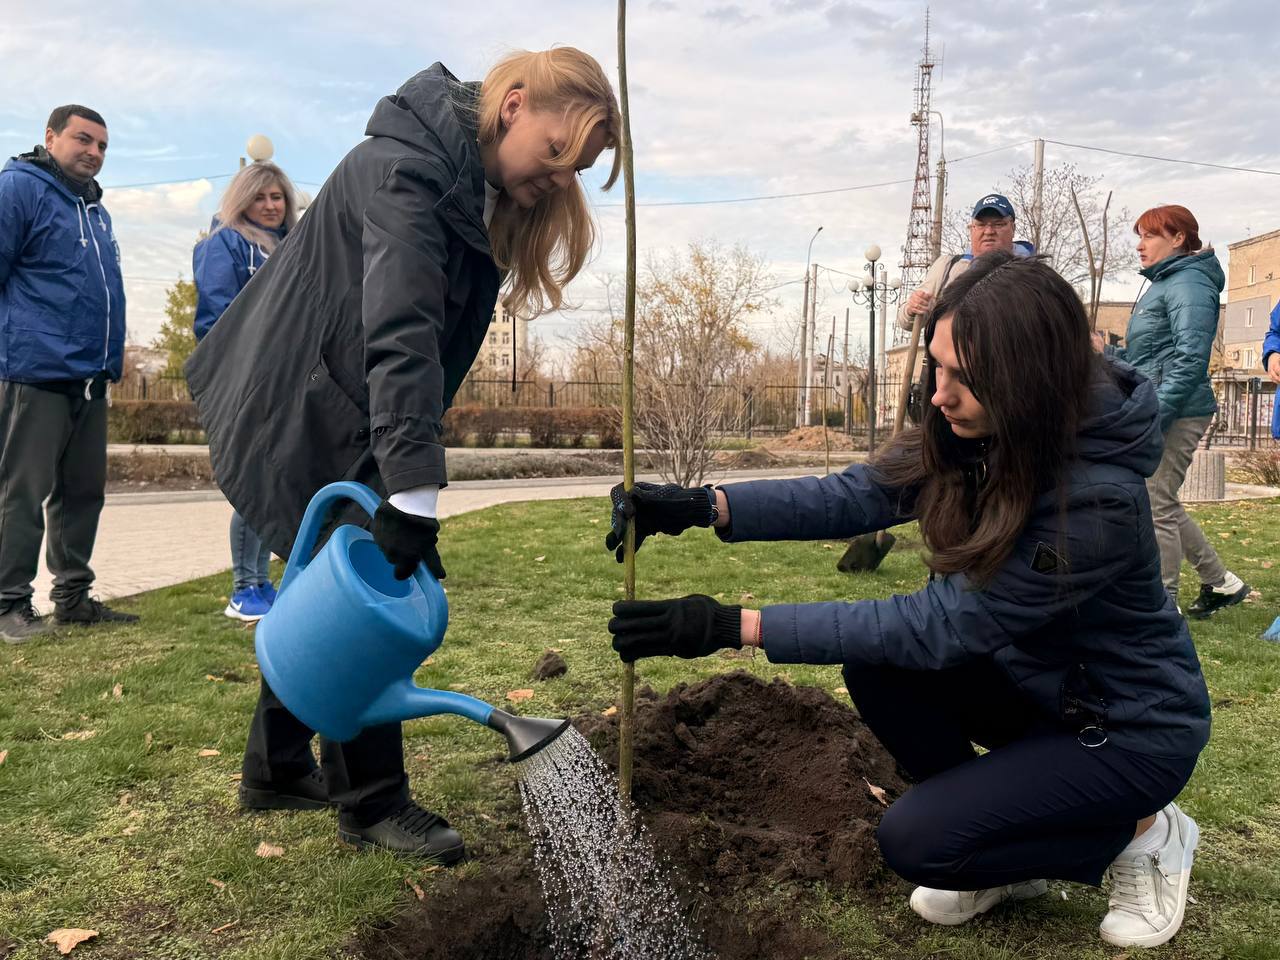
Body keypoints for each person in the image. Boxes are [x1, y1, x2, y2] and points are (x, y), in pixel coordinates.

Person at [605, 253, 1210, 949]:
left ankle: (1144, 832)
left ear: (1024, 382)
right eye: (938, 367)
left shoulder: (1096, 500)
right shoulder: (983, 430)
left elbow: (942, 627)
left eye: (963, 378)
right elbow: (855, 495)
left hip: (1128, 731)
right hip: (1042, 693)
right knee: (876, 669)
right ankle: (1006, 846)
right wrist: (701, 505)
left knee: (917, 842)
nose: (941, 395)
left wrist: (729, 626)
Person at [186, 50, 620, 861]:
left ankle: (275, 767)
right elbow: (402, 334)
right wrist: (412, 493)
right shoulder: (408, 172)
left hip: (337, 402)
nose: (564, 181)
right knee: (367, 600)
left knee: (326, 587)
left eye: (581, 171)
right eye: (560, 155)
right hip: (304, 403)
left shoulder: (461, 179)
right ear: (514, 106)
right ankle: (373, 803)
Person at [0, 105, 139, 644]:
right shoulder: (19, 188)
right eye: (84, 139)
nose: (94, 153)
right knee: (20, 492)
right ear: (51, 137)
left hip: (89, 378)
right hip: (33, 373)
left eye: (103, 146)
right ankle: (9, 603)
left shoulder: (95, 212)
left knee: (82, 493)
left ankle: (73, 598)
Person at [1105, 204, 1247, 618]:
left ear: (1179, 238)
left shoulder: (1188, 283)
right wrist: (1108, 353)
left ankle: (1163, 604)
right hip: (1164, 404)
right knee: (1160, 500)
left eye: (1149, 236)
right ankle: (1222, 582)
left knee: (1156, 502)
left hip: (1179, 410)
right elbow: (1146, 357)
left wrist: (1155, 413)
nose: (1139, 245)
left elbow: (1190, 359)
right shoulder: (1166, 283)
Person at [191, 161, 299, 622]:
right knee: (252, 484)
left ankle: (262, 581)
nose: (271, 205)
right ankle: (243, 588)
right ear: (243, 199)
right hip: (247, 381)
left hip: (288, 380)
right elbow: (216, 318)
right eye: (261, 197)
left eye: (278, 197)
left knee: (274, 485)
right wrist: (237, 378)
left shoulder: (291, 244)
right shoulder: (225, 243)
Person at [896, 192, 1035, 330]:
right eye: (980, 225)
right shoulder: (947, 267)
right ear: (971, 229)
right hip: (953, 351)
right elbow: (908, 321)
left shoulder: (1034, 273)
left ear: (1013, 228)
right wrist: (912, 308)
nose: (989, 231)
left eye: (998, 224)